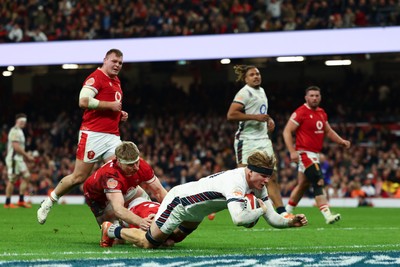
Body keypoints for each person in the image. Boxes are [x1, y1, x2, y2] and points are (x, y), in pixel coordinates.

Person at [101, 150, 308, 249]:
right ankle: (111, 229)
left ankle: (126, 233)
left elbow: (272, 217)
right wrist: (260, 210)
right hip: (180, 204)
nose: (267, 180)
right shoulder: (236, 183)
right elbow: (239, 219)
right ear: (250, 171)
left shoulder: (256, 184)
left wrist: (290, 222)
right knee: (149, 243)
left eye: (268, 175)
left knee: (172, 241)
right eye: (264, 175)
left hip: (195, 212)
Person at [37, 49, 129, 224]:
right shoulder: (95, 77)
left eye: (120, 63)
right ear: (105, 60)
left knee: (119, 174)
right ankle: (49, 201)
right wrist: (111, 106)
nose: (117, 65)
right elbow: (83, 101)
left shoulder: (116, 81)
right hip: (93, 134)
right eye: (114, 61)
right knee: (79, 177)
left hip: (112, 136)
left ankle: (117, 219)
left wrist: (119, 115)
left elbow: (110, 108)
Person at [226, 64, 291, 218]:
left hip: (263, 139)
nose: (256, 76)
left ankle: (282, 212)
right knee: (242, 178)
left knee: (271, 176)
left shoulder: (261, 91)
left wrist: (268, 119)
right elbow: (231, 115)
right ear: (245, 78)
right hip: (246, 140)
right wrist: (256, 118)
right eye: (252, 75)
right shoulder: (244, 93)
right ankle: (233, 207)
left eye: (258, 74)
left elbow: (261, 112)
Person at [282, 86, 351, 224]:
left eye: (317, 96)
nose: (314, 98)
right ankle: (327, 215)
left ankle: (286, 213)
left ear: (320, 97)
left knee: (303, 185)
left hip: (314, 153)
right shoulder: (301, 112)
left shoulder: (321, 112)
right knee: (318, 180)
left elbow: (329, 131)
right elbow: (287, 131)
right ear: (306, 98)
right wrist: (292, 151)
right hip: (304, 153)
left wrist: (341, 141)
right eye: (311, 95)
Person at [83, 141, 168, 247]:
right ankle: (123, 228)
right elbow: (118, 209)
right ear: (119, 161)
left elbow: (159, 191)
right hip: (100, 199)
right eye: (130, 165)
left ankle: (144, 232)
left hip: (128, 188)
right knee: (117, 239)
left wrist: (171, 211)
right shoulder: (111, 177)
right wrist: (140, 221)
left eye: (136, 162)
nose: (136, 167)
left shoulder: (141, 165)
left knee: (145, 211)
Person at [4, 113, 34, 208]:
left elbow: (19, 147)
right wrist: (27, 156)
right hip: (13, 159)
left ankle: (21, 200)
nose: (23, 123)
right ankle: (8, 203)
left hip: (19, 159)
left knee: (27, 177)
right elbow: (16, 147)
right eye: (21, 121)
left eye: (24, 122)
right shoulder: (14, 131)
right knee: (12, 180)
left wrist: (25, 156)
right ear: (17, 121)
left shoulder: (20, 131)